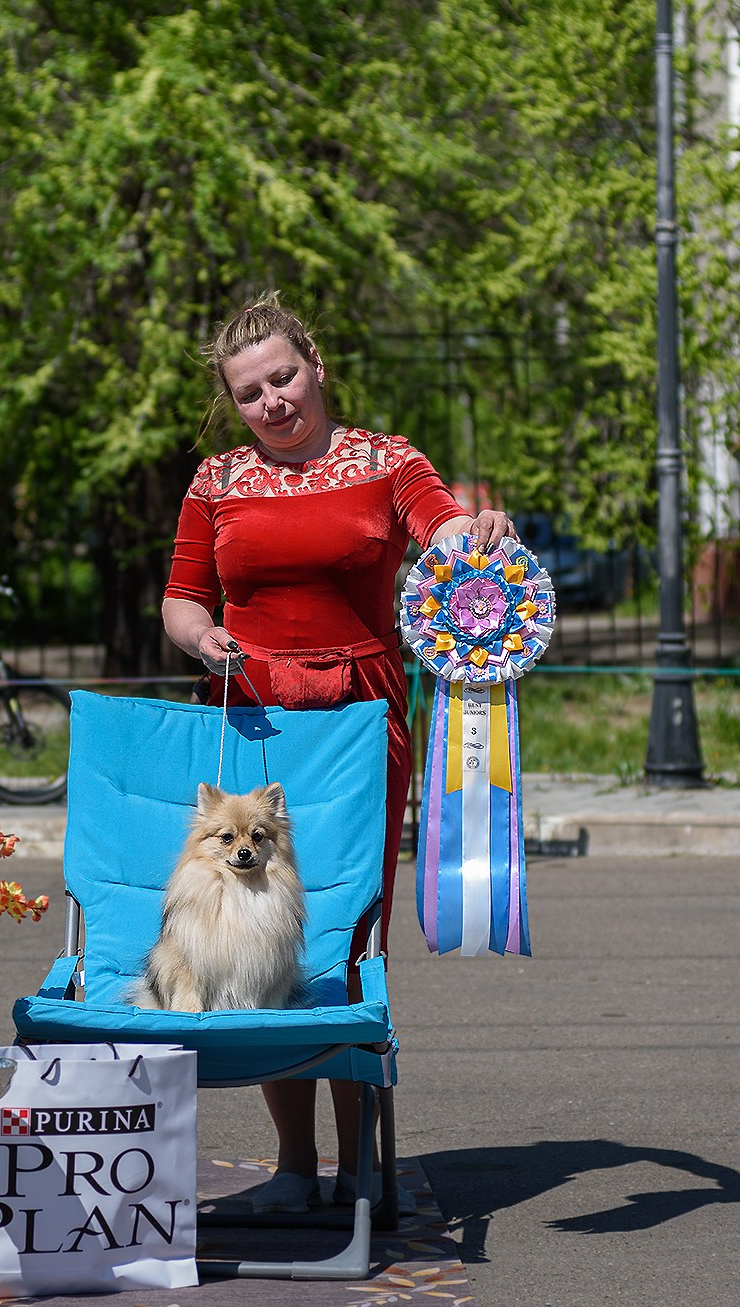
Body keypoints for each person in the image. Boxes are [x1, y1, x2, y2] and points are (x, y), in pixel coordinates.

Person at [161, 293, 514, 1213]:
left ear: (313, 364)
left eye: (283, 377)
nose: (272, 401)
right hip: (252, 720)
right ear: (234, 405)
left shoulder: (387, 460)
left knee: (351, 933)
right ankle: (292, 1164)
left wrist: (470, 535)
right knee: (253, 935)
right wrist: (202, 639)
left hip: (361, 722)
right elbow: (183, 598)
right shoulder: (215, 480)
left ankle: (358, 1169)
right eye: (250, 393)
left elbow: (436, 524)